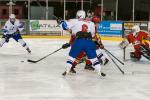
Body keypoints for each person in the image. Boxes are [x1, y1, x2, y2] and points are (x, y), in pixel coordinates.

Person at [61, 10, 106, 77]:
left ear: (78, 16)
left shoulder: (74, 21)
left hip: (78, 42)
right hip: (89, 42)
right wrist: (98, 44)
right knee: (94, 58)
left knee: (71, 57)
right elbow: (93, 37)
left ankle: (67, 70)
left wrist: (61, 22)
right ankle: (99, 71)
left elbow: (64, 26)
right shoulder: (91, 23)